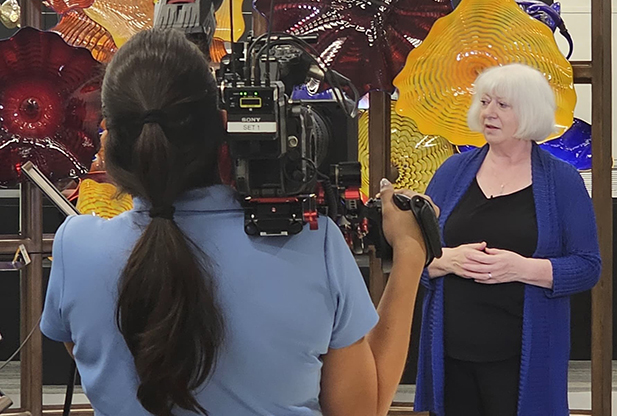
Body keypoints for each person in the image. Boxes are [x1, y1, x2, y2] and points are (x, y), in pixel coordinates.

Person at [40, 28, 431, 416]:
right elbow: (363, 409)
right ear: (225, 126)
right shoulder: (315, 244)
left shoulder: (76, 250)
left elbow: (92, 357)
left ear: (109, 142)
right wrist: (411, 251)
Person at [414, 63, 601, 416]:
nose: (489, 112)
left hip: (521, 357)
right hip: (451, 353)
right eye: (485, 102)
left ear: (530, 112)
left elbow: (588, 267)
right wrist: (444, 261)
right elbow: (415, 255)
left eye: (502, 105)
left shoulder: (562, 180)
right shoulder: (452, 171)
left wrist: (522, 269)